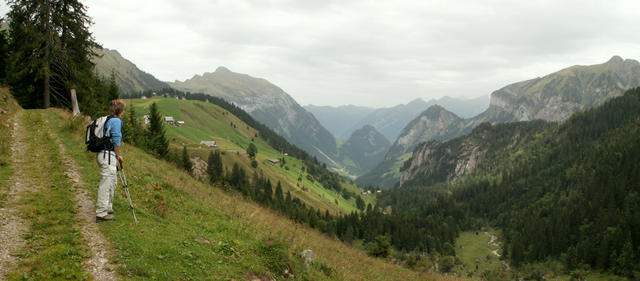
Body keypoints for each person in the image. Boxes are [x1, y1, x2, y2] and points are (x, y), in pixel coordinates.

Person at [96, 100, 125, 222]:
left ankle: (107, 206)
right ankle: (101, 213)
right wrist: (118, 156)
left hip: (103, 154)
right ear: (120, 111)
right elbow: (116, 139)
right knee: (107, 182)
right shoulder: (116, 121)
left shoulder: (107, 119)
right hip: (108, 156)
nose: (124, 112)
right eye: (123, 110)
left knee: (112, 180)